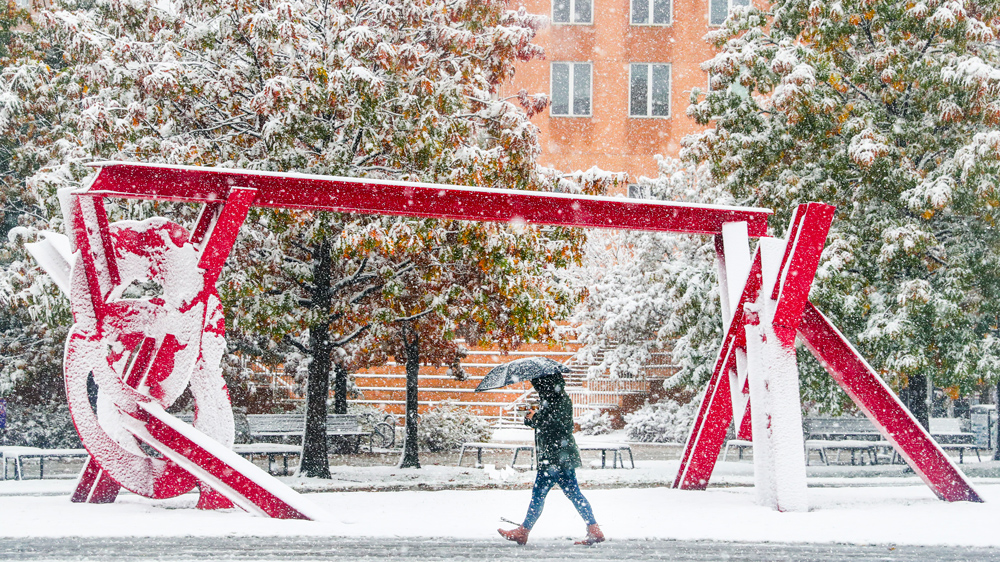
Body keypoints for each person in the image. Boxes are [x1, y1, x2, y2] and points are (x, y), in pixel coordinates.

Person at [498, 373, 604, 546]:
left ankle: (523, 532)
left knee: (540, 495)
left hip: (555, 457)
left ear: (545, 384)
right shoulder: (554, 399)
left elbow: (556, 425)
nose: (537, 389)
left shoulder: (558, 400)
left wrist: (536, 417)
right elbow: (546, 423)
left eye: (538, 385)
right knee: (572, 493)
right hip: (558, 456)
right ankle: (594, 529)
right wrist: (531, 417)